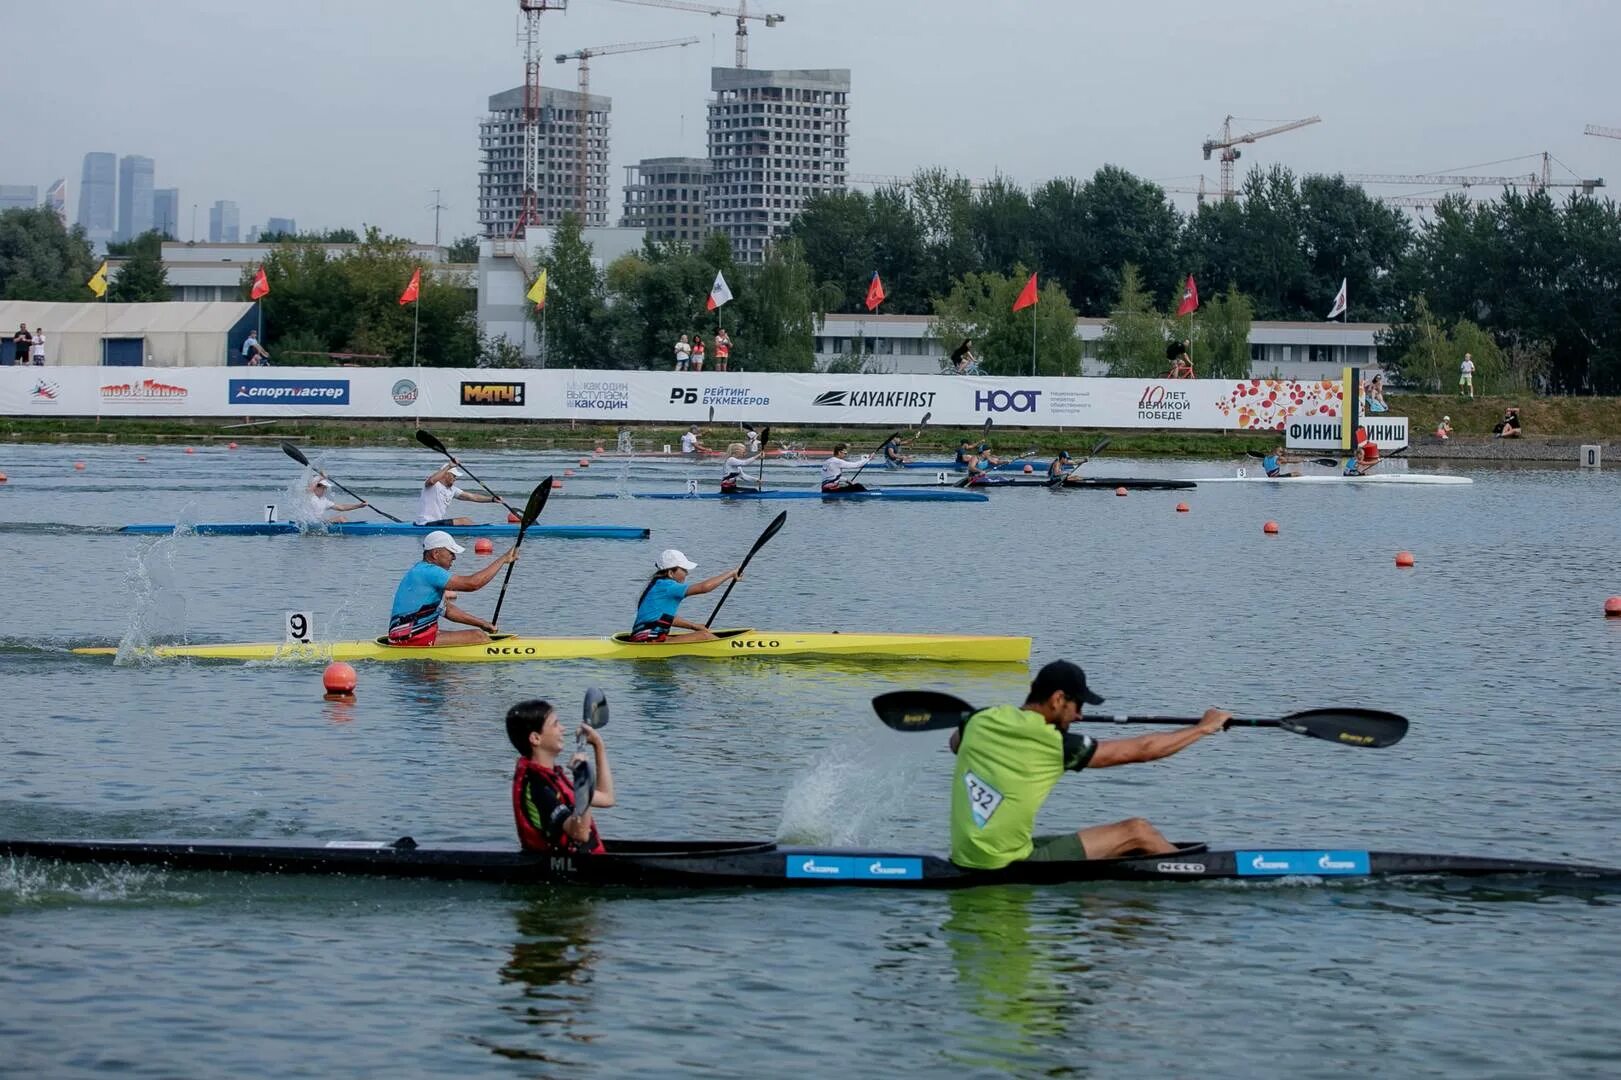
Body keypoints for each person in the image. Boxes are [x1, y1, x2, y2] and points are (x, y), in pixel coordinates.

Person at [949, 660, 1232, 867]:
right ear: (1058, 699)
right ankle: (1196, 871)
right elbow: (1142, 750)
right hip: (1006, 861)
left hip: (968, 855)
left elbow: (955, 744)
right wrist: (1203, 728)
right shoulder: (1054, 743)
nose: (1080, 716)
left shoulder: (980, 719)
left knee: (1118, 847)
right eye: (1078, 706)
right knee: (1137, 831)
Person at [508, 698, 614, 854]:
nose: (563, 729)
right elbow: (581, 833)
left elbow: (607, 798)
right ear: (536, 738)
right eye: (555, 724)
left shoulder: (552, 777)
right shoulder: (538, 788)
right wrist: (582, 782)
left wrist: (598, 745)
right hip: (567, 872)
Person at [386, 531, 517, 646]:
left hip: (403, 636)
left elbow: (447, 610)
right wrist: (503, 560)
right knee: (478, 637)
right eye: (450, 552)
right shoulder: (431, 572)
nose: (454, 557)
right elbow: (473, 584)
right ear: (436, 553)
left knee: (479, 632)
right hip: (411, 639)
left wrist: (482, 623)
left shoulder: (420, 569)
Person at [628, 549, 743, 643]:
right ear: (671, 573)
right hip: (649, 642)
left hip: (644, 639)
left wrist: (695, 626)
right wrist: (731, 573)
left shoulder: (657, 585)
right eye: (683, 569)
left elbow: (665, 618)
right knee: (704, 636)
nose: (687, 573)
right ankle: (732, 650)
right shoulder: (669, 587)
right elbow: (705, 587)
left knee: (701, 633)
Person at [415, 462, 499, 526]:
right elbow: (431, 480)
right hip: (425, 523)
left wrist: (492, 499)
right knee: (465, 521)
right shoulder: (433, 485)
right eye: (454, 476)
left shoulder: (452, 490)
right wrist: (449, 466)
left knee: (466, 521)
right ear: (446, 474)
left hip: (436, 523)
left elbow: (473, 497)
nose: (455, 479)